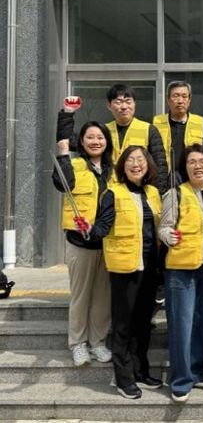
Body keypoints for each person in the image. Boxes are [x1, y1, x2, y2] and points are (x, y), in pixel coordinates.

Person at [86, 146, 163, 399]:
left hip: (149, 266)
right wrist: (89, 230)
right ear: (123, 166)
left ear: (148, 165)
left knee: (143, 322)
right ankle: (123, 377)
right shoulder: (113, 193)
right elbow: (103, 226)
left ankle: (140, 370)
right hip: (124, 267)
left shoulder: (153, 192)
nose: (136, 164)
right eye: (130, 160)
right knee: (123, 324)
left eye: (140, 160)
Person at [53, 101, 114, 367]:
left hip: (107, 242)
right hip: (80, 243)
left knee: (102, 297)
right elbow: (61, 182)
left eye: (100, 137)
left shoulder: (113, 170)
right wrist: (66, 118)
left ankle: (98, 342)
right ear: (82, 141)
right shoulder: (75, 165)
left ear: (107, 141)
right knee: (81, 296)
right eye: (90, 137)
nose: (95, 141)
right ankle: (78, 343)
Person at [158, 144, 203, 403]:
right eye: (192, 161)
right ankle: (180, 380)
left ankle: (197, 371)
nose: (198, 166)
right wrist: (168, 236)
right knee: (181, 324)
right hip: (181, 268)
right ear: (185, 167)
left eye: (202, 161)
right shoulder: (175, 194)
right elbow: (164, 227)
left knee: (202, 322)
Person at [105, 84, 168, 193]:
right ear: (109, 105)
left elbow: (160, 166)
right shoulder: (103, 131)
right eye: (118, 102)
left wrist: (158, 193)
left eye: (128, 101)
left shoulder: (149, 129)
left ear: (135, 104)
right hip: (109, 192)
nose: (124, 106)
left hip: (140, 192)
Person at [152, 81, 203, 179]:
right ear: (168, 100)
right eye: (176, 96)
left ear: (189, 100)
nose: (180, 101)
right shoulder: (156, 123)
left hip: (192, 179)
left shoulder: (200, 123)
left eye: (184, 96)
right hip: (164, 179)